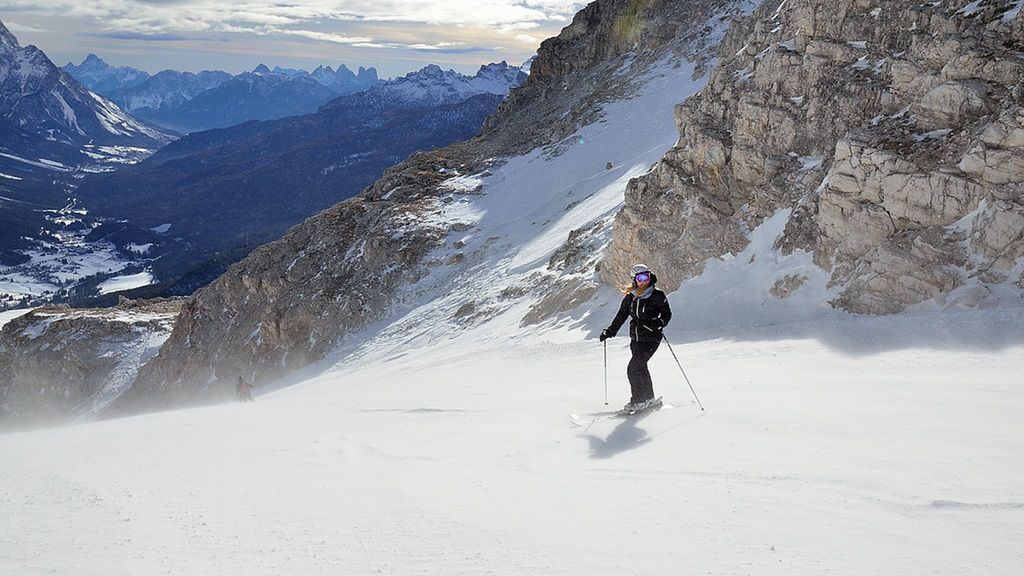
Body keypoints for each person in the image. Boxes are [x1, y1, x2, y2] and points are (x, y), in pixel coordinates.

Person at [599, 264, 672, 412]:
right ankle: (649, 399)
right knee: (641, 367)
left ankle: (638, 401)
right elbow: (621, 316)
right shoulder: (630, 297)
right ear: (635, 280)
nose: (644, 280)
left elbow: (667, 314)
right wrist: (610, 331)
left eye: (647, 276)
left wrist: (658, 323)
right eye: (640, 278)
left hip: (652, 338)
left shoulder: (658, 295)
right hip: (636, 339)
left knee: (633, 368)